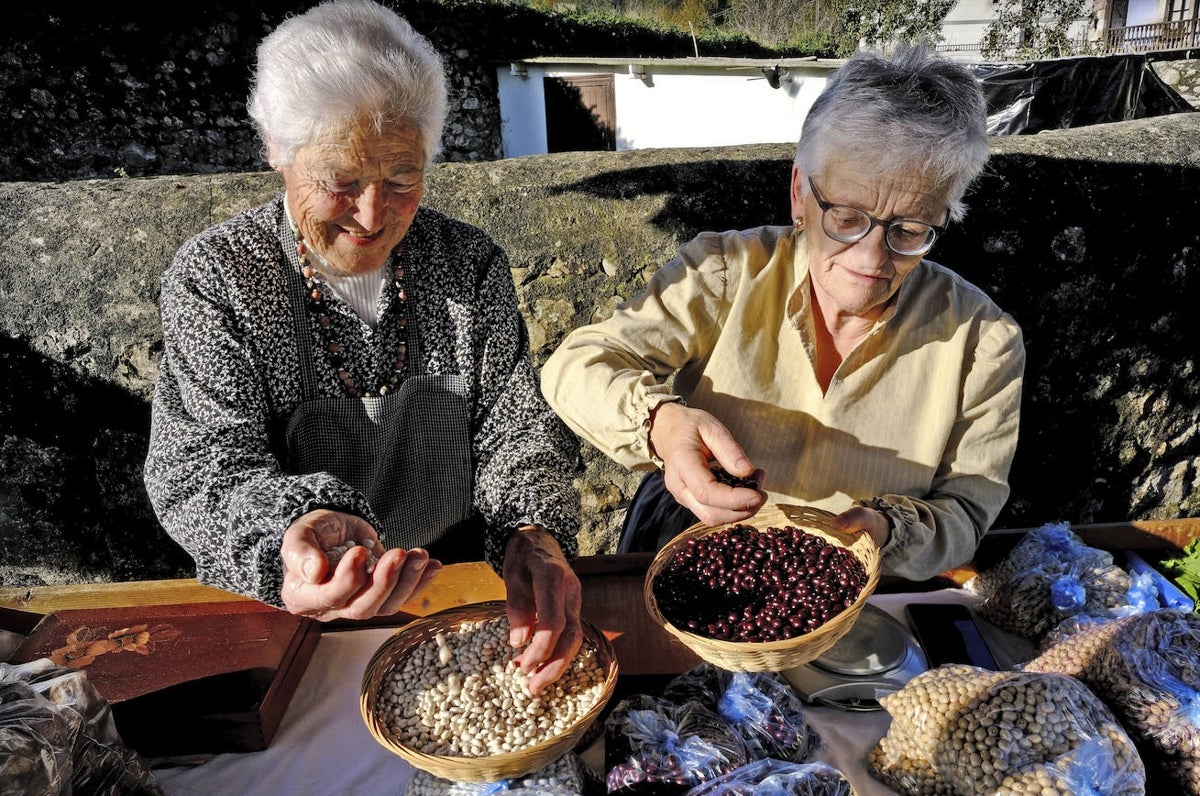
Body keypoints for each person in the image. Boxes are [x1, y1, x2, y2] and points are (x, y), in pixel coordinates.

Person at [144, 0, 582, 693]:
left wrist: (532, 534)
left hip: (453, 608)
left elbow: (514, 426)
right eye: (340, 182)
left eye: (402, 178)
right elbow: (204, 468)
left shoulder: (466, 263)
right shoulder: (220, 277)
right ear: (278, 153)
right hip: (294, 626)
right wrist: (295, 538)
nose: (373, 216)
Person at [540, 44, 1025, 581]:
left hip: (856, 590)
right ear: (800, 193)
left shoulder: (986, 340)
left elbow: (966, 513)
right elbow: (576, 364)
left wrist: (888, 531)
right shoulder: (725, 272)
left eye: (909, 231)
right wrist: (660, 422)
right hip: (696, 555)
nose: (870, 258)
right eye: (845, 216)